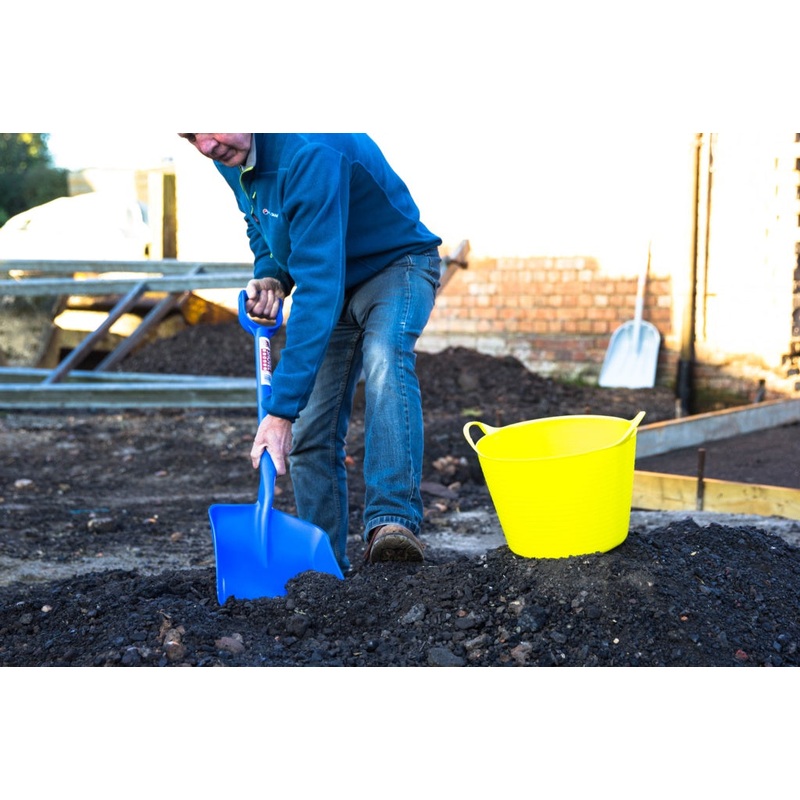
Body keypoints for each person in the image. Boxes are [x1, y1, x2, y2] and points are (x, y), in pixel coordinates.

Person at [179, 133, 442, 573]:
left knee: (385, 359)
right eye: (190, 136)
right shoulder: (231, 152)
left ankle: (392, 521)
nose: (205, 146)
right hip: (334, 280)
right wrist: (271, 274)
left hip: (395, 266)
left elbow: (318, 287)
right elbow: (260, 222)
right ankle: (324, 566)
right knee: (312, 426)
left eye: (209, 127)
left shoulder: (310, 149)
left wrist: (280, 411)